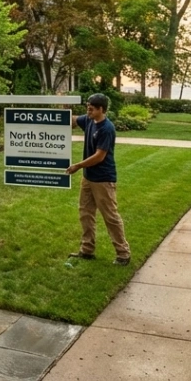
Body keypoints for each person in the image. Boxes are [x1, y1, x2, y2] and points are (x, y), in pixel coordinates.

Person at [65, 93, 130, 266]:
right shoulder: (88, 120)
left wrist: (78, 166)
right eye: (87, 107)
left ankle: (123, 254)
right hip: (88, 178)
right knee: (85, 213)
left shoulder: (106, 129)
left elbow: (99, 156)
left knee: (110, 216)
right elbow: (71, 120)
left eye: (92, 108)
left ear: (101, 109)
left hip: (103, 179)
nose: (88, 110)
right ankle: (87, 250)